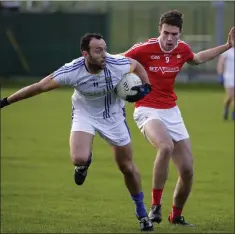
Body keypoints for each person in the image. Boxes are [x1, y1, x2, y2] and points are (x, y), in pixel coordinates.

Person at [0, 33, 154, 232]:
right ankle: (83, 165)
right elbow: (39, 87)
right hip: (85, 114)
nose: (104, 54)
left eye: (105, 49)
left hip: (113, 116)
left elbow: (136, 64)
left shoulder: (116, 64)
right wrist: (5, 102)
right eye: (98, 50)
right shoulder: (72, 71)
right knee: (79, 158)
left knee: (126, 167)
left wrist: (146, 85)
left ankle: (141, 212)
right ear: (85, 54)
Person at [122, 10, 235, 226]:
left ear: (180, 33)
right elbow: (118, 60)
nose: (169, 39)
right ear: (160, 31)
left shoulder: (182, 49)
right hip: (147, 109)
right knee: (165, 147)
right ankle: (155, 206)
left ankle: (176, 215)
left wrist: (227, 46)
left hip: (171, 111)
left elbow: (197, 59)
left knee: (187, 170)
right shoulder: (144, 49)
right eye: (166, 33)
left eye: (174, 34)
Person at [217, 39, 234, 120]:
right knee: (230, 96)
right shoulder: (227, 51)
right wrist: (220, 75)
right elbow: (221, 63)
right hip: (229, 77)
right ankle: (226, 108)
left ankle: (233, 113)